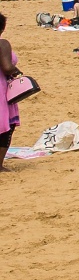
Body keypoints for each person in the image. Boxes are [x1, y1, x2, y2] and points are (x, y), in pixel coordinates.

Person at [0, 15, 19, 169]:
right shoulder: (3, 44)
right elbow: (7, 68)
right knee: (5, 126)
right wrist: (16, 71)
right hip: (1, 91)